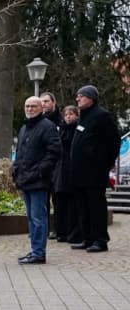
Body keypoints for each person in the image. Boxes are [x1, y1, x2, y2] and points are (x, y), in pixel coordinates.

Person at [70, 84, 121, 253]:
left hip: (94, 172)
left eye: (81, 96)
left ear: (91, 98)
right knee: (82, 207)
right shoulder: (83, 117)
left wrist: (104, 162)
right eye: (77, 96)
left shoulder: (102, 116)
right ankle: (87, 238)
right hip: (79, 173)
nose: (77, 98)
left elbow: (113, 141)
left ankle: (100, 240)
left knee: (95, 206)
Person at [13, 96, 61, 265]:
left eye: (33, 106)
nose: (30, 109)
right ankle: (35, 250)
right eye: (27, 106)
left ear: (41, 108)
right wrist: (16, 171)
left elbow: (54, 152)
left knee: (39, 217)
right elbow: (20, 152)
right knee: (32, 218)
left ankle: (39, 253)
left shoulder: (47, 127)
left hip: (39, 180)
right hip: (26, 179)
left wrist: (40, 172)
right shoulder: (24, 128)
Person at [53, 105, 80, 243]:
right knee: (59, 202)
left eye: (71, 114)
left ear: (76, 115)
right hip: (60, 170)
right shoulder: (60, 129)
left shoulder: (77, 129)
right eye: (66, 114)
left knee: (72, 203)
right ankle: (60, 231)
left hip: (72, 168)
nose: (68, 117)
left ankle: (72, 232)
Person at [40, 91, 63, 239]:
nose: (44, 104)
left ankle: (58, 229)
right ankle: (44, 229)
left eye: (47, 101)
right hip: (42, 165)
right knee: (42, 199)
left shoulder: (61, 121)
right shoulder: (39, 122)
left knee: (57, 199)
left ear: (54, 103)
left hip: (58, 165)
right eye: (42, 102)